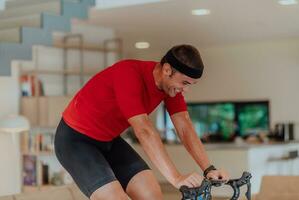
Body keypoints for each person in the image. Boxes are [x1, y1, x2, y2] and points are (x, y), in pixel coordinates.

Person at [54, 44, 229, 200]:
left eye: (191, 84)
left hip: (109, 141)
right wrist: (176, 178)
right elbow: (144, 130)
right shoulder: (128, 73)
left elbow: (184, 126)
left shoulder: (170, 88)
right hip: (75, 140)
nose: (186, 89)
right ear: (167, 70)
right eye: (184, 82)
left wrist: (208, 169)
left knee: (151, 195)